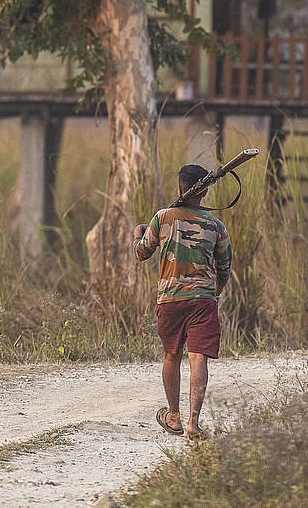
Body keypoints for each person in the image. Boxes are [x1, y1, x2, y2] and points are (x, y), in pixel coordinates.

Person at [133, 163, 232, 439]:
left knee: (171, 356)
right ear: (206, 191)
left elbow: (142, 253)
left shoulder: (162, 218)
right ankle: (193, 422)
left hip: (170, 301)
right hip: (203, 301)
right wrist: (217, 290)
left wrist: (138, 233)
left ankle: (173, 415)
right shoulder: (216, 226)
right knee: (198, 357)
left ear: (179, 188)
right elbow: (225, 267)